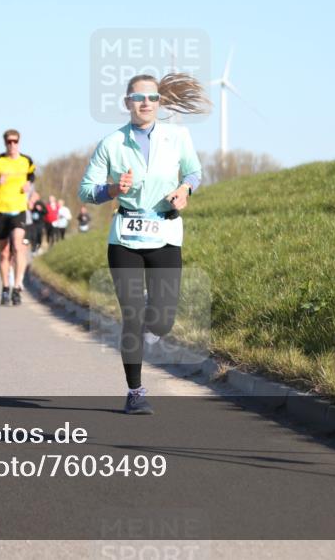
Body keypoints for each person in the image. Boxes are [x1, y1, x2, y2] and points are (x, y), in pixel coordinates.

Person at [78, 73, 206, 414]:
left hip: (164, 234)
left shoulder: (178, 137)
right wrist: (112, 190)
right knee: (132, 316)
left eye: (151, 97)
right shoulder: (112, 143)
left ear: (160, 102)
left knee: (162, 320)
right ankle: (135, 393)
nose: (145, 103)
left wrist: (184, 191)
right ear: (127, 103)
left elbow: (194, 172)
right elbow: (85, 190)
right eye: (138, 97)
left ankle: (152, 320)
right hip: (125, 239)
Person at [0, 129, 36, 305]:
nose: (12, 145)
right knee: (4, 253)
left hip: (18, 209)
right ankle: (5, 288)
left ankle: (17, 286)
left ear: (19, 142)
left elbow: (32, 175)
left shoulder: (27, 160)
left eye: (15, 141)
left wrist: (28, 184)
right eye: (9, 142)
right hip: (0, 209)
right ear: (5, 143)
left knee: (18, 247)